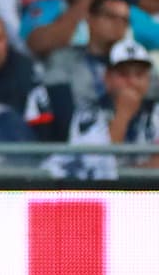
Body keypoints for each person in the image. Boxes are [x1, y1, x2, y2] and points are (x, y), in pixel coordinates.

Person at [50, 39, 159, 179]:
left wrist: (126, 172)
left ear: (148, 79)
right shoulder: (88, 113)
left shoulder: (156, 112)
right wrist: (123, 115)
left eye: (139, 75)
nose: (132, 82)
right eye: (123, 74)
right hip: (101, 190)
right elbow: (94, 164)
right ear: (107, 77)